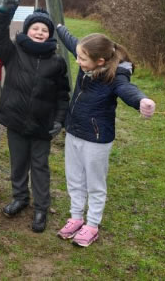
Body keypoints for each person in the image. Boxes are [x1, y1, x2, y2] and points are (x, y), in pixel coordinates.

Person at [55, 25, 156, 247]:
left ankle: (92, 225)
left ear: (100, 61)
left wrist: (141, 101)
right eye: (79, 56)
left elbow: (127, 90)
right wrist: (58, 27)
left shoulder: (115, 77)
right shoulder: (88, 58)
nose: (78, 61)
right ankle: (76, 218)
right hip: (73, 131)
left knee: (94, 184)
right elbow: (71, 40)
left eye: (82, 59)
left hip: (96, 139)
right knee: (74, 179)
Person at [0, 0, 70, 233]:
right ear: (27, 29)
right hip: (16, 121)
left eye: (43, 29)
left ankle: (40, 209)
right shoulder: (14, 52)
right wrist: (4, 11)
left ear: (49, 34)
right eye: (35, 28)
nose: (39, 32)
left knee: (40, 167)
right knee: (18, 164)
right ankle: (20, 198)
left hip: (41, 126)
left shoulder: (56, 62)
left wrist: (59, 120)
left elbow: (62, 96)